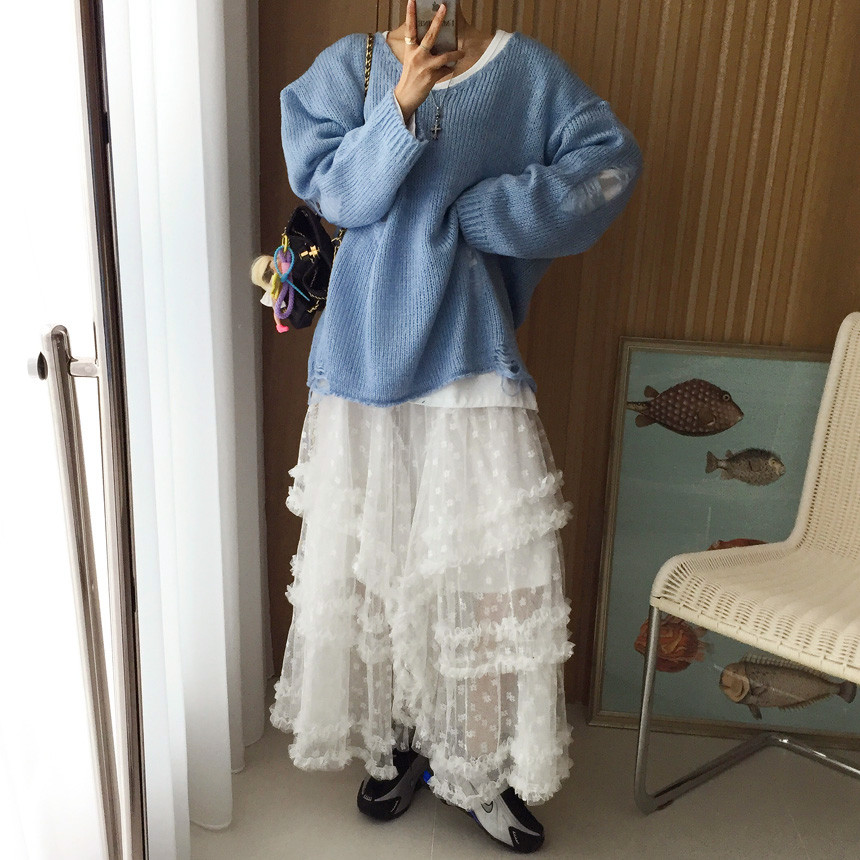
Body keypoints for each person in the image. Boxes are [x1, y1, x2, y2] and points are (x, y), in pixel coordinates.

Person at [270, 1, 642, 852]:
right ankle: (400, 743)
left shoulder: (525, 72)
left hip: (471, 353)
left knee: (484, 572)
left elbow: (610, 163)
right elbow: (339, 194)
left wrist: (489, 213)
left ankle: (478, 767)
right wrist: (399, 104)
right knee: (379, 566)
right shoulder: (352, 66)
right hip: (362, 362)